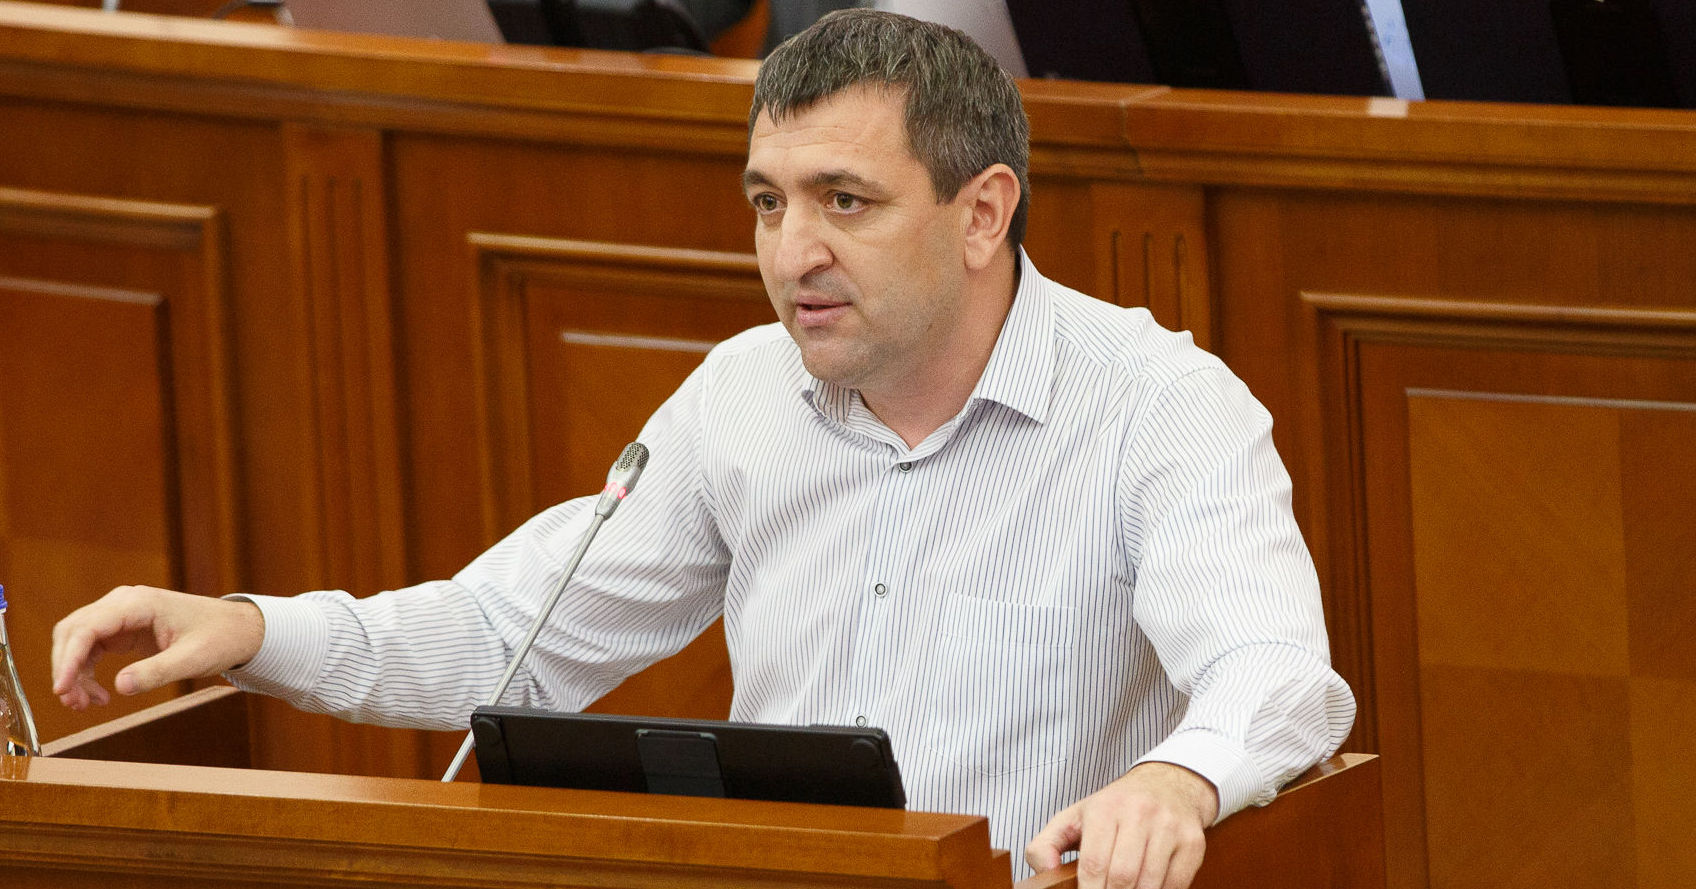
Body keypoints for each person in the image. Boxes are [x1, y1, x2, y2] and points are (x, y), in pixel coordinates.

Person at [51, 10, 1353, 889]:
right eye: (769, 203)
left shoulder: (1156, 405)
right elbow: (513, 632)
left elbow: (1280, 673)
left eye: (845, 202)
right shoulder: (742, 393)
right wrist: (250, 628)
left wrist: (1176, 780)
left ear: (982, 213)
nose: (793, 253)